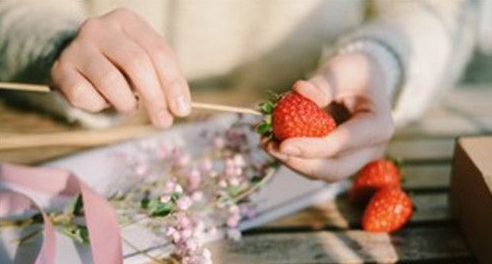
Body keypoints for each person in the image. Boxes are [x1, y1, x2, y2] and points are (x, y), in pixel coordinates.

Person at [0, 0, 490, 181]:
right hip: (68, 126)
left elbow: (445, 10)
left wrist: (382, 59)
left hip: (320, 109)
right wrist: (56, 47)